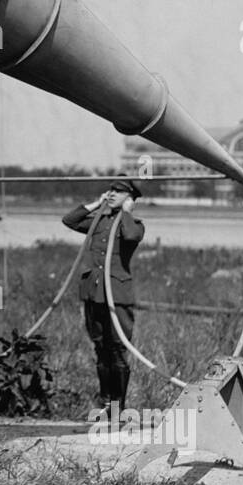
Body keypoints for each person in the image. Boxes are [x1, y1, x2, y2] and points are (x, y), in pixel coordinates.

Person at [61, 179, 144, 424]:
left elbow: (130, 236)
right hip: (93, 293)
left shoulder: (134, 224)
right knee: (100, 348)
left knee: (117, 350)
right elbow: (70, 220)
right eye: (111, 190)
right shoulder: (99, 221)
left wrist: (127, 211)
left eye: (118, 191)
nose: (112, 193)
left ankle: (119, 409)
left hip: (117, 296)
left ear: (130, 197)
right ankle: (106, 404)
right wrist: (96, 204)